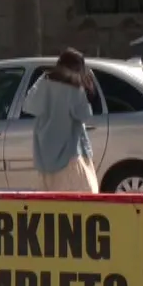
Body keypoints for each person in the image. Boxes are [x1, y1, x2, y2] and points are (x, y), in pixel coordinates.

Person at [20, 49, 101, 193]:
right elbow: (84, 115)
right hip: (70, 155)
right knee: (82, 197)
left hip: (45, 152)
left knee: (51, 202)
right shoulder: (74, 88)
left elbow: (29, 105)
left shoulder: (44, 81)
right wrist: (89, 91)